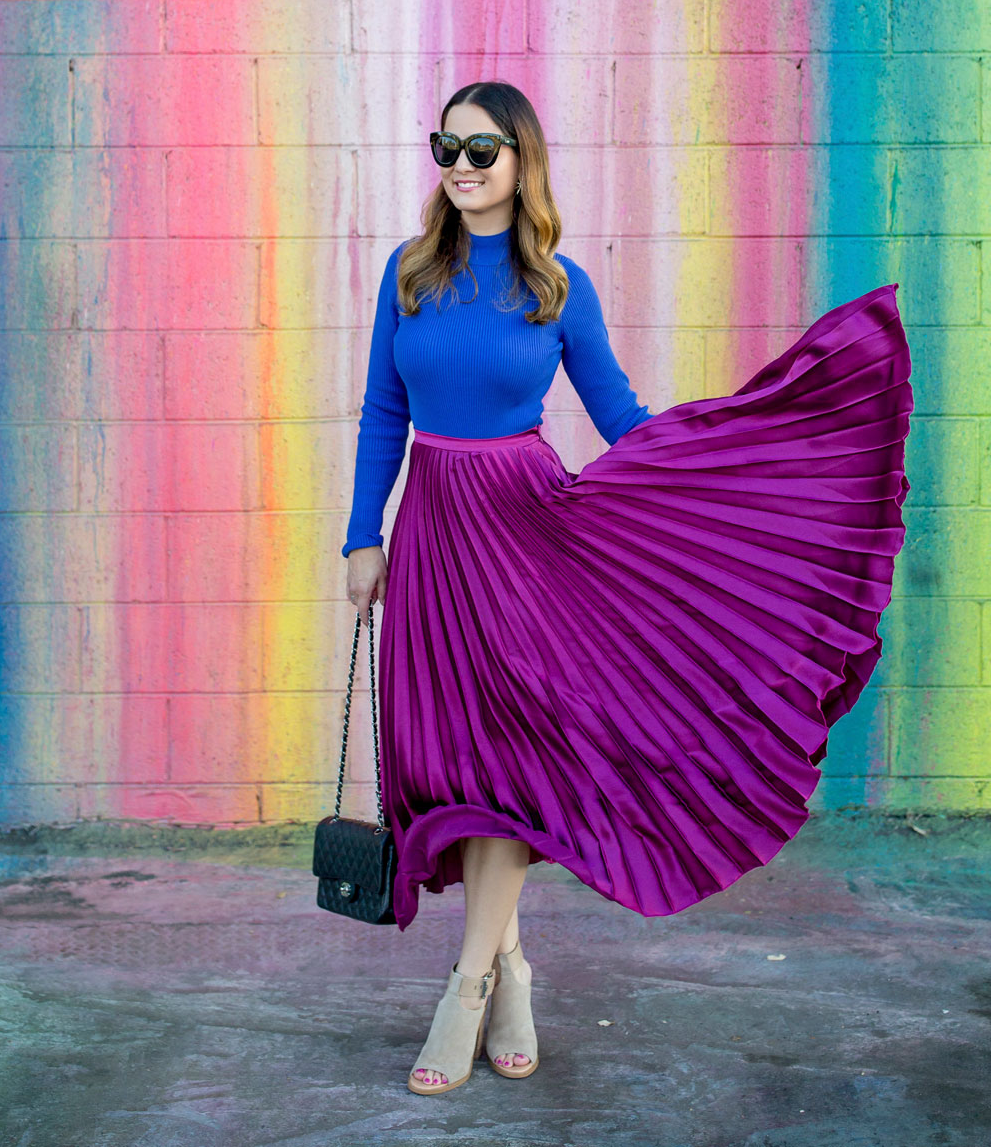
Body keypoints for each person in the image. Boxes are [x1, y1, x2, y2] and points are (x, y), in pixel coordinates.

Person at [342, 80, 913, 1096]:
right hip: (429, 535)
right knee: (453, 761)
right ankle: (513, 969)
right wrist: (361, 536)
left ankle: (466, 986)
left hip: (525, 536)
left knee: (507, 762)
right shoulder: (410, 273)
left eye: (484, 151)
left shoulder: (556, 287)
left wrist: (720, 465)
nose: (463, 168)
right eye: (448, 148)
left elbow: (619, 416)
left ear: (522, 162)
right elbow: (384, 413)